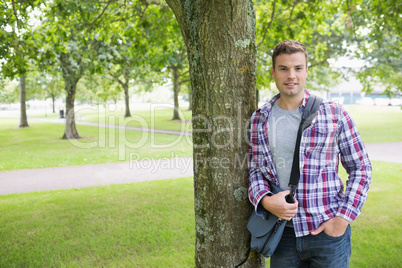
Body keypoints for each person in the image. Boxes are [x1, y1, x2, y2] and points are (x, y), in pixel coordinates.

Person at [248, 40, 372, 267]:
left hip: (327, 232)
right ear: (273, 73)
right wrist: (264, 200)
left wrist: (342, 218)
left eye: (297, 68)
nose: (291, 75)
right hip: (282, 233)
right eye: (283, 69)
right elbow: (255, 169)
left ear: (306, 71)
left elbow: (361, 168)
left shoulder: (334, 113)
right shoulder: (260, 118)